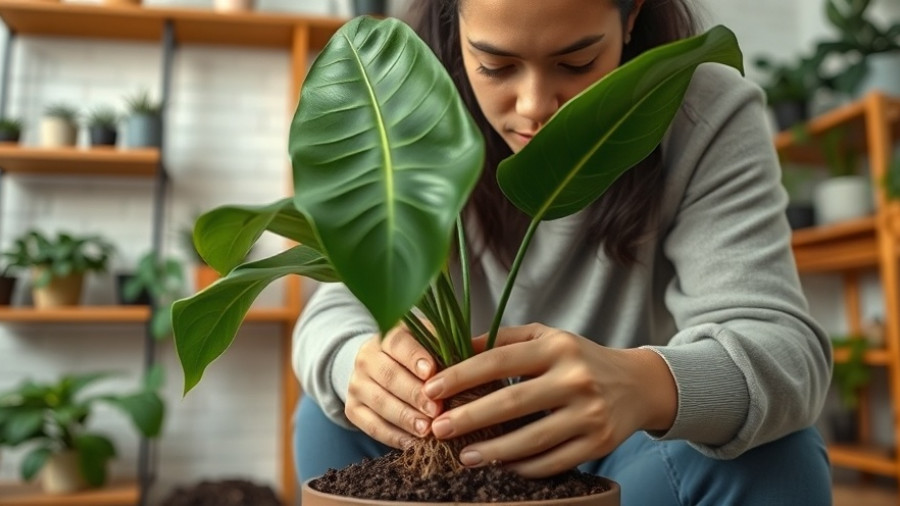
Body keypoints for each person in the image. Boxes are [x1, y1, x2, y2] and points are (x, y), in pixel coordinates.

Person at [292, 0, 834, 504]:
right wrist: (362, 366)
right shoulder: (399, 115)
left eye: (576, 62)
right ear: (454, 29)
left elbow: (785, 350)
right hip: (449, 445)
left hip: (628, 451)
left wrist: (646, 384)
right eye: (495, 66)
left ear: (631, 17)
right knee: (328, 411)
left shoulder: (697, 110)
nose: (534, 107)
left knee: (779, 456)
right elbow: (334, 311)